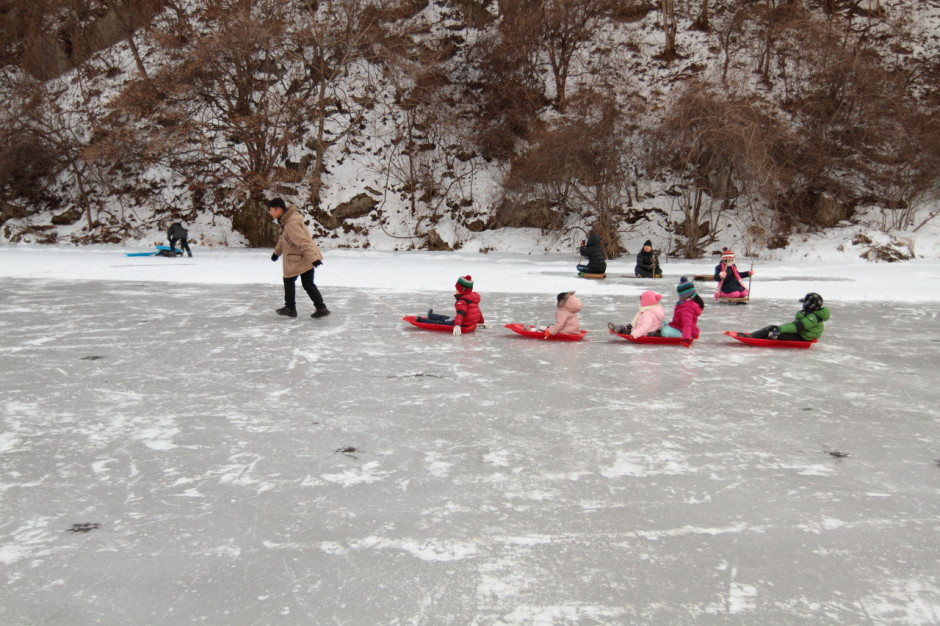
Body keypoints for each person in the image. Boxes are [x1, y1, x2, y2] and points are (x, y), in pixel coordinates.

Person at [268, 197, 330, 319]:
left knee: (289, 280)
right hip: (303, 258)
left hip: (298, 259)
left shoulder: (291, 224)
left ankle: (290, 308)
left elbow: (303, 242)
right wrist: (277, 253)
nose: (270, 213)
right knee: (308, 284)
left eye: (271, 210)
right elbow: (283, 240)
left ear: (278, 210)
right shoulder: (288, 221)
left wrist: (314, 258)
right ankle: (321, 308)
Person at [744, 293, 830, 342]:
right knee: (772, 327)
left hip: (804, 338)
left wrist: (780, 329)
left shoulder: (812, 318)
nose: (803, 305)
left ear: (810, 306)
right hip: (801, 333)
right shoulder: (811, 314)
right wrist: (779, 328)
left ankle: (760, 339)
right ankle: (754, 336)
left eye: (804, 304)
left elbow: (797, 327)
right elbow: (796, 325)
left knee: (779, 335)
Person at [418, 275, 484, 336]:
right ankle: (431, 316)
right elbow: (478, 312)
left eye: (457, 289)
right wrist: (481, 322)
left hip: (462, 324)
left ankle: (421, 320)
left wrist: (457, 325)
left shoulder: (462, 301)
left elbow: (460, 314)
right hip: (467, 322)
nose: (455, 291)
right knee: (448, 318)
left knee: (440, 323)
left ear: (463, 290)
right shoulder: (473, 298)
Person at [660, 277, 704, 347]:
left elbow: (687, 324)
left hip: (685, 332)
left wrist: (686, 338)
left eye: (679, 294)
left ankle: (686, 336)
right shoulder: (684, 304)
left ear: (683, 295)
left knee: (665, 332)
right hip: (679, 327)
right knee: (662, 322)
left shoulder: (687, 308)